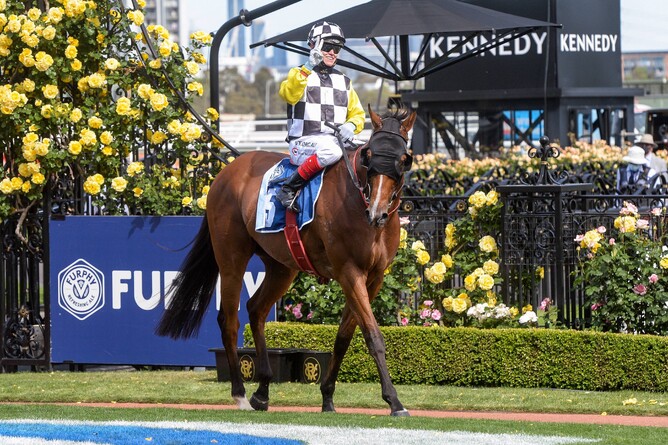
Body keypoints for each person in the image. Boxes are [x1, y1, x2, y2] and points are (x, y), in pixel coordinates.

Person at [276, 21, 366, 212]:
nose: (333, 52)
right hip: (303, 142)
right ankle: (288, 188)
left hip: (334, 142)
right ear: (313, 45)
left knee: (368, 154)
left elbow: (358, 114)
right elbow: (289, 94)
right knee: (332, 152)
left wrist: (350, 125)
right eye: (327, 46)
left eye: (337, 48)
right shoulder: (298, 74)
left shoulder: (344, 81)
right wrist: (309, 65)